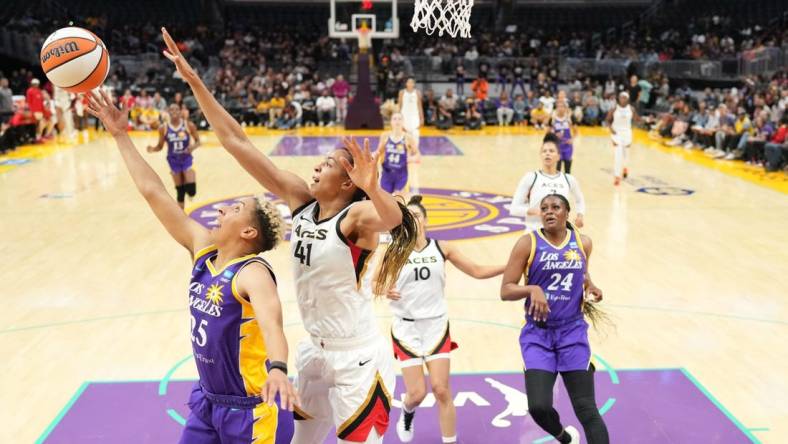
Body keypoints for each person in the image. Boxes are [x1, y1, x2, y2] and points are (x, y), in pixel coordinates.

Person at [162, 28, 419, 444]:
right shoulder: (300, 199)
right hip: (314, 352)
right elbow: (235, 141)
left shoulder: (356, 218)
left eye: (331, 163)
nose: (318, 165)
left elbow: (394, 219)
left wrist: (373, 186)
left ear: (348, 181)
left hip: (357, 356)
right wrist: (194, 81)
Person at [85, 89, 298, 444]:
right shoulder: (203, 251)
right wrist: (120, 135)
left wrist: (278, 368)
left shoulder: (252, 273)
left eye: (234, 209)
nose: (221, 209)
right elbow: (155, 192)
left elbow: (273, 323)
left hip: (254, 412)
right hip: (210, 403)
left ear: (248, 231)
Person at [378, 195, 505, 444]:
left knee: (441, 389)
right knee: (416, 393)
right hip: (406, 328)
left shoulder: (442, 247)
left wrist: (510, 265)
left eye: (417, 215)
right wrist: (384, 290)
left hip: (436, 325)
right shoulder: (392, 250)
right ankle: (407, 411)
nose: (413, 219)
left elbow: (477, 271)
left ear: (425, 220)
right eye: (409, 216)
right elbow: (374, 283)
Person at [501, 193, 609, 444]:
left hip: (572, 333)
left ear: (567, 213)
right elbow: (506, 289)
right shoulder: (527, 244)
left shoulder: (583, 243)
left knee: (587, 409)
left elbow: (581, 272)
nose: (549, 211)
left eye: (555, 207)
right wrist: (531, 289)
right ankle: (563, 437)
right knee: (538, 407)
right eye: (544, 208)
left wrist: (591, 285)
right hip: (538, 335)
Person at [510, 134, 586, 231]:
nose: (547, 153)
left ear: (558, 156)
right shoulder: (531, 177)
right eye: (544, 151)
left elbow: (579, 200)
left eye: (551, 151)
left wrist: (580, 215)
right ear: (540, 155)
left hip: (560, 235)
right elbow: (514, 208)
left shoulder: (569, 179)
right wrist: (538, 212)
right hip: (534, 233)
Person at [147, 103, 201, 209]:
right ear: (168, 112)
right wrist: (152, 149)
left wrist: (192, 147)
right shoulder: (163, 128)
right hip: (173, 160)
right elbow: (160, 146)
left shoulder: (188, 125)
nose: (174, 111)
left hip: (186, 158)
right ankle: (181, 218)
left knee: (191, 191)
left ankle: (189, 176)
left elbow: (198, 141)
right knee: (180, 192)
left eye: (177, 109)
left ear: (180, 112)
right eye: (172, 110)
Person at [378, 112, 420, 195]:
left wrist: (411, 159)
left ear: (403, 122)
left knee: (398, 200)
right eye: (394, 119)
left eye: (399, 119)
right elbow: (378, 152)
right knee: (385, 200)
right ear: (391, 122)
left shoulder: (408, 138)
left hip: (401, 175)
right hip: (386, 174)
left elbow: (418, 155)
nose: (397, 121)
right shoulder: (385, 136)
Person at [605, 91, 639, 185]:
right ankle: (617, 176)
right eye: (621, 97)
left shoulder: (631, 109)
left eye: (625, 97)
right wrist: (611, 129)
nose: (623, 99)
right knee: (618, 154)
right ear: (619, 98)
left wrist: (635, 126)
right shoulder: (614, 108)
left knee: (626, 154)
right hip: (616, 133)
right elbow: (607, 120)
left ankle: (625, 167)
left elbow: (637, 119)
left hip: (627, 133)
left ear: (627, 99)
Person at [398, 78, 423, 193]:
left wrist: (422, 117)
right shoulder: (402, 93)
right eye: (408, 82)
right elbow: (399, 106)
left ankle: (415, 154)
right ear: (406, 84)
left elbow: (420, 106)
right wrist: (398, 118)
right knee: (405, 138)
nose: (410, 84)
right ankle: (407, 156)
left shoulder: (417, 93)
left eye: (412, 82)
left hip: (414, 116)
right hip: (405, 116)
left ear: (414, 84)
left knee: (415, 135)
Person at [549, 100, 576, 174]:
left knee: (567, 170)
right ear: (556, 108)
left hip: (568, 146)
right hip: (558, 146)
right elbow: (548, 132)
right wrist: (554, 135)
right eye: (558, 106)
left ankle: (568, 184)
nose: (560, 108)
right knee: (557, 170)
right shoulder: (553, 119)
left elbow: (576, 131)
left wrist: (572, 139)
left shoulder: (569, 118)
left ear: (565, 108)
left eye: (562, 106)